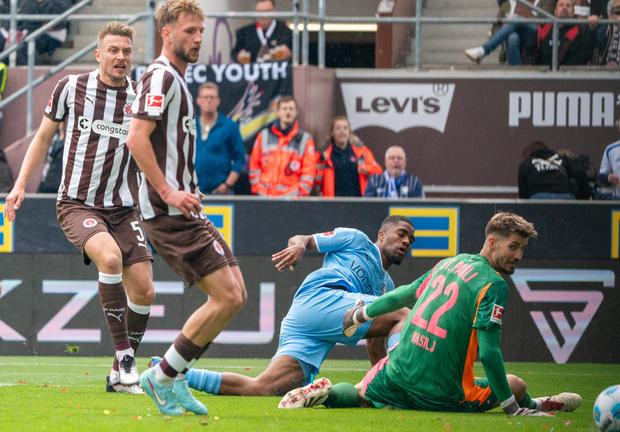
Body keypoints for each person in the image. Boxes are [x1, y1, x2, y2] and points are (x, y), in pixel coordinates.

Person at [278, 212, 582, 417]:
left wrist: (362, 314)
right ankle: (534, 405)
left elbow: (404, 294)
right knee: (514, 384)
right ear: (492, 242)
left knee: (359, 393)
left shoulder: (449, 263)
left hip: (397, 372)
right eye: (513, 246)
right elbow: (489, 356)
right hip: (442, 391)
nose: (518, 255)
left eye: (522, 249)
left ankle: (325, 394)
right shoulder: (494, 284)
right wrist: (513, 410)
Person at [3, 22, 154, 395]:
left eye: (126, 51)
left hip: (123, 208)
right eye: (113, 50)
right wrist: (20, 185)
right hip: (76, 202)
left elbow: (154, 152)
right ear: (98, 53)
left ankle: (119, 376)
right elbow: (42, 137)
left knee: (146, 291)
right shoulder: (71, 87)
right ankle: (127, 359)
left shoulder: (139, 99)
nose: (121, 57)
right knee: (110, 259)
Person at [126, 0, 247, 416]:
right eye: (190, 31)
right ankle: (162, 376)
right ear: (167, 32)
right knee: (227, 297)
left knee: (237, 294)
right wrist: (169, 192)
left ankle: (172, 378)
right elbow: (136, 139)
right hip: (169, 213)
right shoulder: (161, 76)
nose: (198, 38)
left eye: (201, 31)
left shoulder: (175, 77)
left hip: (185, 210)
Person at [178, 216, 415, 397]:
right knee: (403, 313)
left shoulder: (387, 286)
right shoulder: (356, 240)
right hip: (320, 297)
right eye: (401, 234)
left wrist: (381, 382)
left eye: (410, 240)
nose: (406, 241)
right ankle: (401, 383)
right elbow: (304, 239)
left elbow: (375, 345)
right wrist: (299, 246)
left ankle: (174, 374)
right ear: (382, 235)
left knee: (261, 387)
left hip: (310, 321)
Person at [249, 95, 316, 197]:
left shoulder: (305, 139)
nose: (288, 112)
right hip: (264, 197)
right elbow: (254, 165)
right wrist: (257, 188)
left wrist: (300, 194)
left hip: (291, 200)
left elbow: (309, 172)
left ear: (296, 112)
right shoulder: (264, 135)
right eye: (284, 109)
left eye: (291, 109)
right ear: (278, 112)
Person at [464, 0, 555, 65]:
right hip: (513, 44)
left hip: (535, 37)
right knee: (513, 37)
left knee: (516, 19)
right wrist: (504, 30)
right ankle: (517, 74)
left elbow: (544, 22)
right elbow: (496, 27)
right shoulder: (508, 4)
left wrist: (520, 19)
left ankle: (483, 50)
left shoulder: (546, 2)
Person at [194, 82, 245, 195]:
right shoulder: (191, 125)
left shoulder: (229, 126)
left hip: (222, 192)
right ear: (198, 100)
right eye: (205, 97)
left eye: (212, 97)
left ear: (218, 100)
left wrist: (228, 184)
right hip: (193, 192)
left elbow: (239, 158)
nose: (209, 100)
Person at [315, 115, 382, 197]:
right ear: (332, 133)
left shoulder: (362, 152)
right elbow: (315, 180)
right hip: (333, 203)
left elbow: (378, 171)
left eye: (345, 128)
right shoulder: (323, 155)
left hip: (358, 202)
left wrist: (366, 169)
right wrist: (321, 162)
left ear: (349, 132)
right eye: (338, 128)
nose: (342, 131)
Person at [534, 0, 596, 67]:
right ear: (555, 11)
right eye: (561, 5)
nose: (564, 7)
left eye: (568, 6)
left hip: (568, 74)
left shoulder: (580, 32)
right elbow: (536, 55)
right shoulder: (544, 29)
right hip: (543, 74)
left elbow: (585, 55)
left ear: (573, 13)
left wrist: (591, 29)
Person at [231, 0, 292, 64]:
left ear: (274, 12)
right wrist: (238, 57)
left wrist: (290, 54)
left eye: (267, 11)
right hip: (254, 73)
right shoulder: (244, 32)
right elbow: (234, 53)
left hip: (278, 73)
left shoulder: (286, 32)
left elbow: (300, 56)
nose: (263, 15)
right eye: (259, 12)